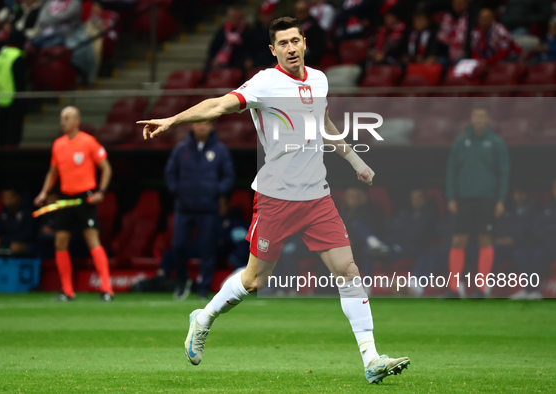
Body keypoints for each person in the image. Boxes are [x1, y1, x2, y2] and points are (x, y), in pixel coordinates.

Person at [138, 16, 409, 384]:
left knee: (348, 271)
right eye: (283, 43)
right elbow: (219, 105)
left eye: (295, 40)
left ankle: (371, 359)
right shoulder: (264, 83)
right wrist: (172, 119)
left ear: (304, 42)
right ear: (273, 50)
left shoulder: (319, 79)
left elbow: (324, 124)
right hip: (276, 199)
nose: (291, 48)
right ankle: (203, 319)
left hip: (317, 197)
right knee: (253, 281)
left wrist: (357, 162)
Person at [34, 106, 114, 301]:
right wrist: (44, 193)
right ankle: (67, 291)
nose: (63, 121)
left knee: (92, 240)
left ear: (77, 121)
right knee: (60, 241)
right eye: (62, 118)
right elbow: (52, 172)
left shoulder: (88, 142)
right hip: (66, 199)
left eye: (67, 118)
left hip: (85, 199)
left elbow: (106, 168)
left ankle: (107, 289)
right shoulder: (58, 144)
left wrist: (100, 192)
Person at [164, 120, 235, 299]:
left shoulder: (220, 150)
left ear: (211, 126)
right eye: (198, 123)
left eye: (206, 123)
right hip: (184, 208)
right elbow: (170, 173)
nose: (202, 127)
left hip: (208, 208)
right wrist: (177, 191)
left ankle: (204, 287)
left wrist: (216, 191)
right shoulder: (181, 149)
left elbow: (228, 176)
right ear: (192, 126)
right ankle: (182, 281)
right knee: (179, 246)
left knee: (207, 249)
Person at [446, 105, 510, 297]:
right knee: (458, 240)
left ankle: (483, 288)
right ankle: (455, 288)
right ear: (471, 119)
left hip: (487, 198)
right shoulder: (460, 142)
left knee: (485, 239)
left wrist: (501, 199)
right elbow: (451, 171)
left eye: (482, 116)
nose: (479, 120)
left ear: (488, 119)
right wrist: (450, 196)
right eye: (476, 116)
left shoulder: (497, 143)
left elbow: (504, 173)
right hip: (464, 198)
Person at [361, 188, 436, 279]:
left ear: (425, 199)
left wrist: (400, 228)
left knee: (374, 250)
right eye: (413, 198)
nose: (416, 201)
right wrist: (403, 228)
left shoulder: (428, 216)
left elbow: (414, 235)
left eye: (419, 198)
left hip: (405, 250)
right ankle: (367, 285)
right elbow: (387, 225)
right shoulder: (406, 212)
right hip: (390, 245)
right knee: (366, 249)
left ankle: (377, 244)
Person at [0, 30, 27, 147]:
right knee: (12, 137)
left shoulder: (1, 55)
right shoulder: (17, 56)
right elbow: (20, 80)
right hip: (13, 100)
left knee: (0, 135)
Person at [0, 187, 34, 254]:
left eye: (10, 197)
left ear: (18, 197)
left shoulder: (28, 211)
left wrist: (1, 240)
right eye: (5, 197)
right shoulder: (5, 211)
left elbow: (27, 235)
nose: (7, 201)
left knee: (15, 246)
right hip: (6, 242)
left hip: (24, 244)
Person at [205, 6, 249, 71]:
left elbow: (247, 49)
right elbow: (213, 47)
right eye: (232, 17)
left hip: (236, 61)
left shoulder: (247, 31)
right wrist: (214, 59)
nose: (234, 19)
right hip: (220, 60)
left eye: (236, 17)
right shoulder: (222, 30)